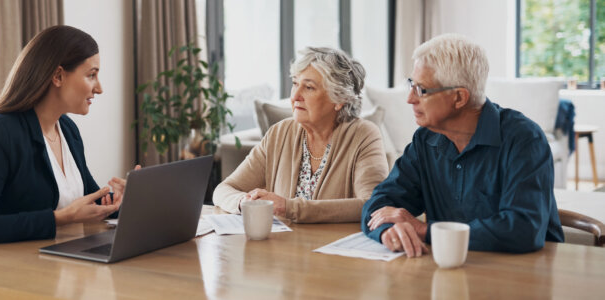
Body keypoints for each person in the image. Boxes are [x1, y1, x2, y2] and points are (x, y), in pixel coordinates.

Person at [361, 34, 564, 257]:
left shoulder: (524, 139)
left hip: (526, 273)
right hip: (453, 270)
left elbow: (523, 229)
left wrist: (425, 231)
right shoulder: (425, 140)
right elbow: (380, 203)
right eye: (411, 84)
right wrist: (388, 230)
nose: (410, 98)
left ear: (459, 98)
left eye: (421, 89)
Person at [0, 26, 136, 254]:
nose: (100, 88)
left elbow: (89, 202)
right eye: (91, 75)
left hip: (40, 265)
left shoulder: (67, 129)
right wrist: (60, 218)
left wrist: (121, 201)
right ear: (57, 76)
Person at [213, 47, 389, 223]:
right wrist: (244, 201)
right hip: (282, 246)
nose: (295, 96)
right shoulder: (279, 133)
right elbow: (224, 189)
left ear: (339, 100)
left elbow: (372, 205)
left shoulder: (363, 135)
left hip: (334, 247)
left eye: (309, 87)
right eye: (295, 83)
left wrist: (289, 207)